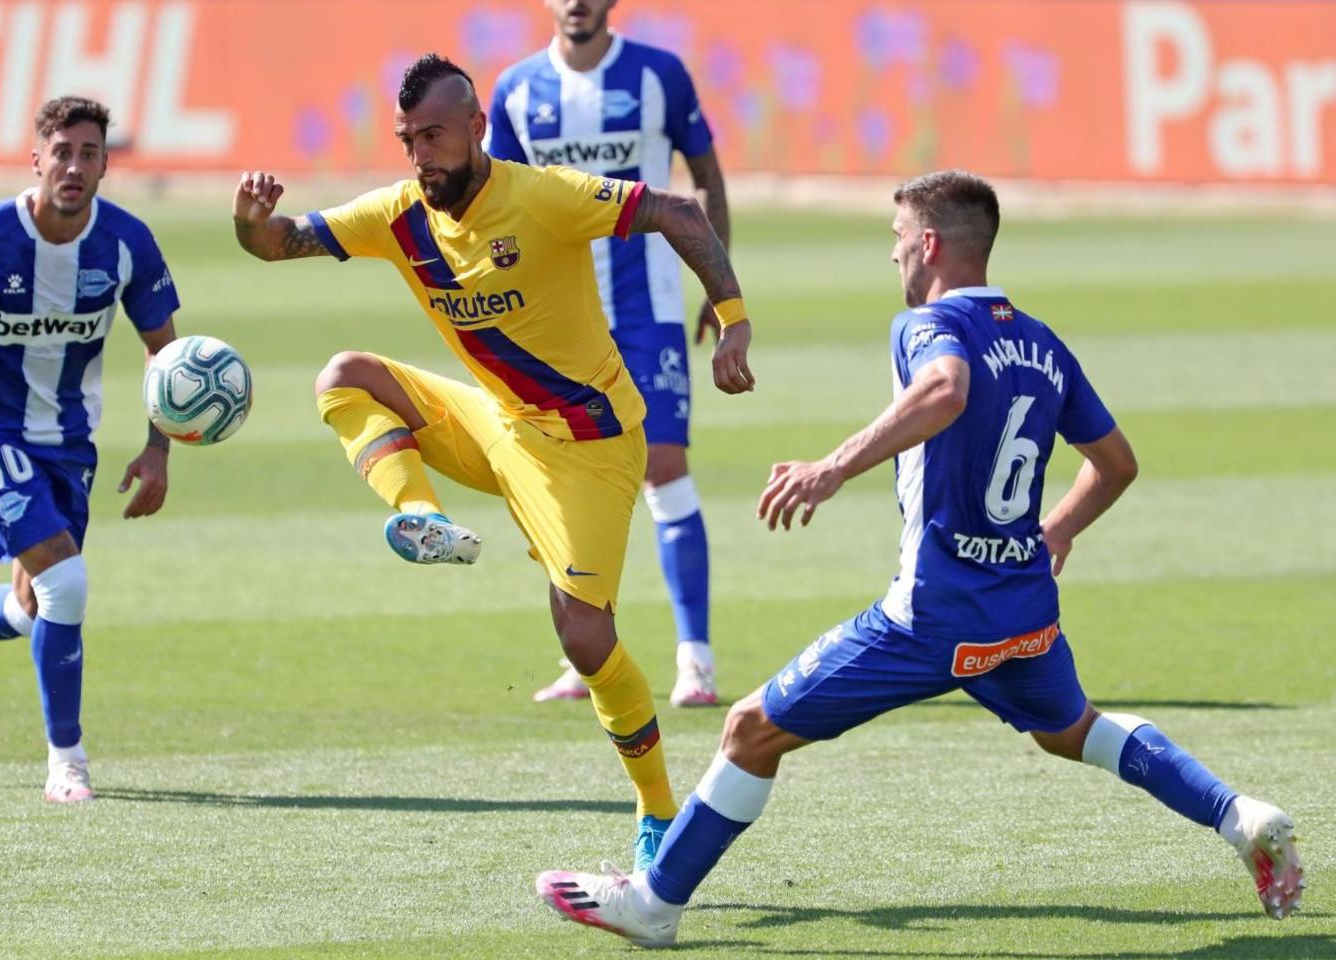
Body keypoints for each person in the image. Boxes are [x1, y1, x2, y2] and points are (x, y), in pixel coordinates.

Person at [534, 170, 1304, 946]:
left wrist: (830, 468)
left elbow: (946, 388)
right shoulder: (1040, 341)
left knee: (749, 730)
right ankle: (1237, 815)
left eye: (898, 242)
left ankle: (655, 904)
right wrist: (1060, 530)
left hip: (932, 617)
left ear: (930, 244)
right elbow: (1117, 462)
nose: (894, 258)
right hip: (1023, 611)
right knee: (1074, 731)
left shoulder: (928, 326)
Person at [233, 53, 756, 869]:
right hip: (498, 422)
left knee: (585, 637)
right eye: (408, 139)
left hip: (588, 446)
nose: (421, 155)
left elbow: (681, 213)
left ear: (477, 128)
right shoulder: (399, 212)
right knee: (346, 377)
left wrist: (733, 319)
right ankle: (420, 516)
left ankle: (658, 809)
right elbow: (279, 243)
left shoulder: (543, 196)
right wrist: (248, 222)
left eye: (435, 136)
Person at [0, 96, 182, 803]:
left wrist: (157, 451)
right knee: (68, 585)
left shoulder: (127, 243)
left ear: (107, 164)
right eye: (62, 152)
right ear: (37, 158)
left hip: (69, 442)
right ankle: (67, 760)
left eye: (89, 154)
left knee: (32, 606)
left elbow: (163, 351)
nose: (74, 167)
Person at [488, 0, 730, 708]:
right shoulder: (516, 90)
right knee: (570, 484)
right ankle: (587, 657)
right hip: (558, 322)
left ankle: (697, 660)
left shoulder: (660, 75)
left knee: (664, 470)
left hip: (648, 308)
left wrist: (719, 284)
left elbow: (707, 176)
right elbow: (496, 203)